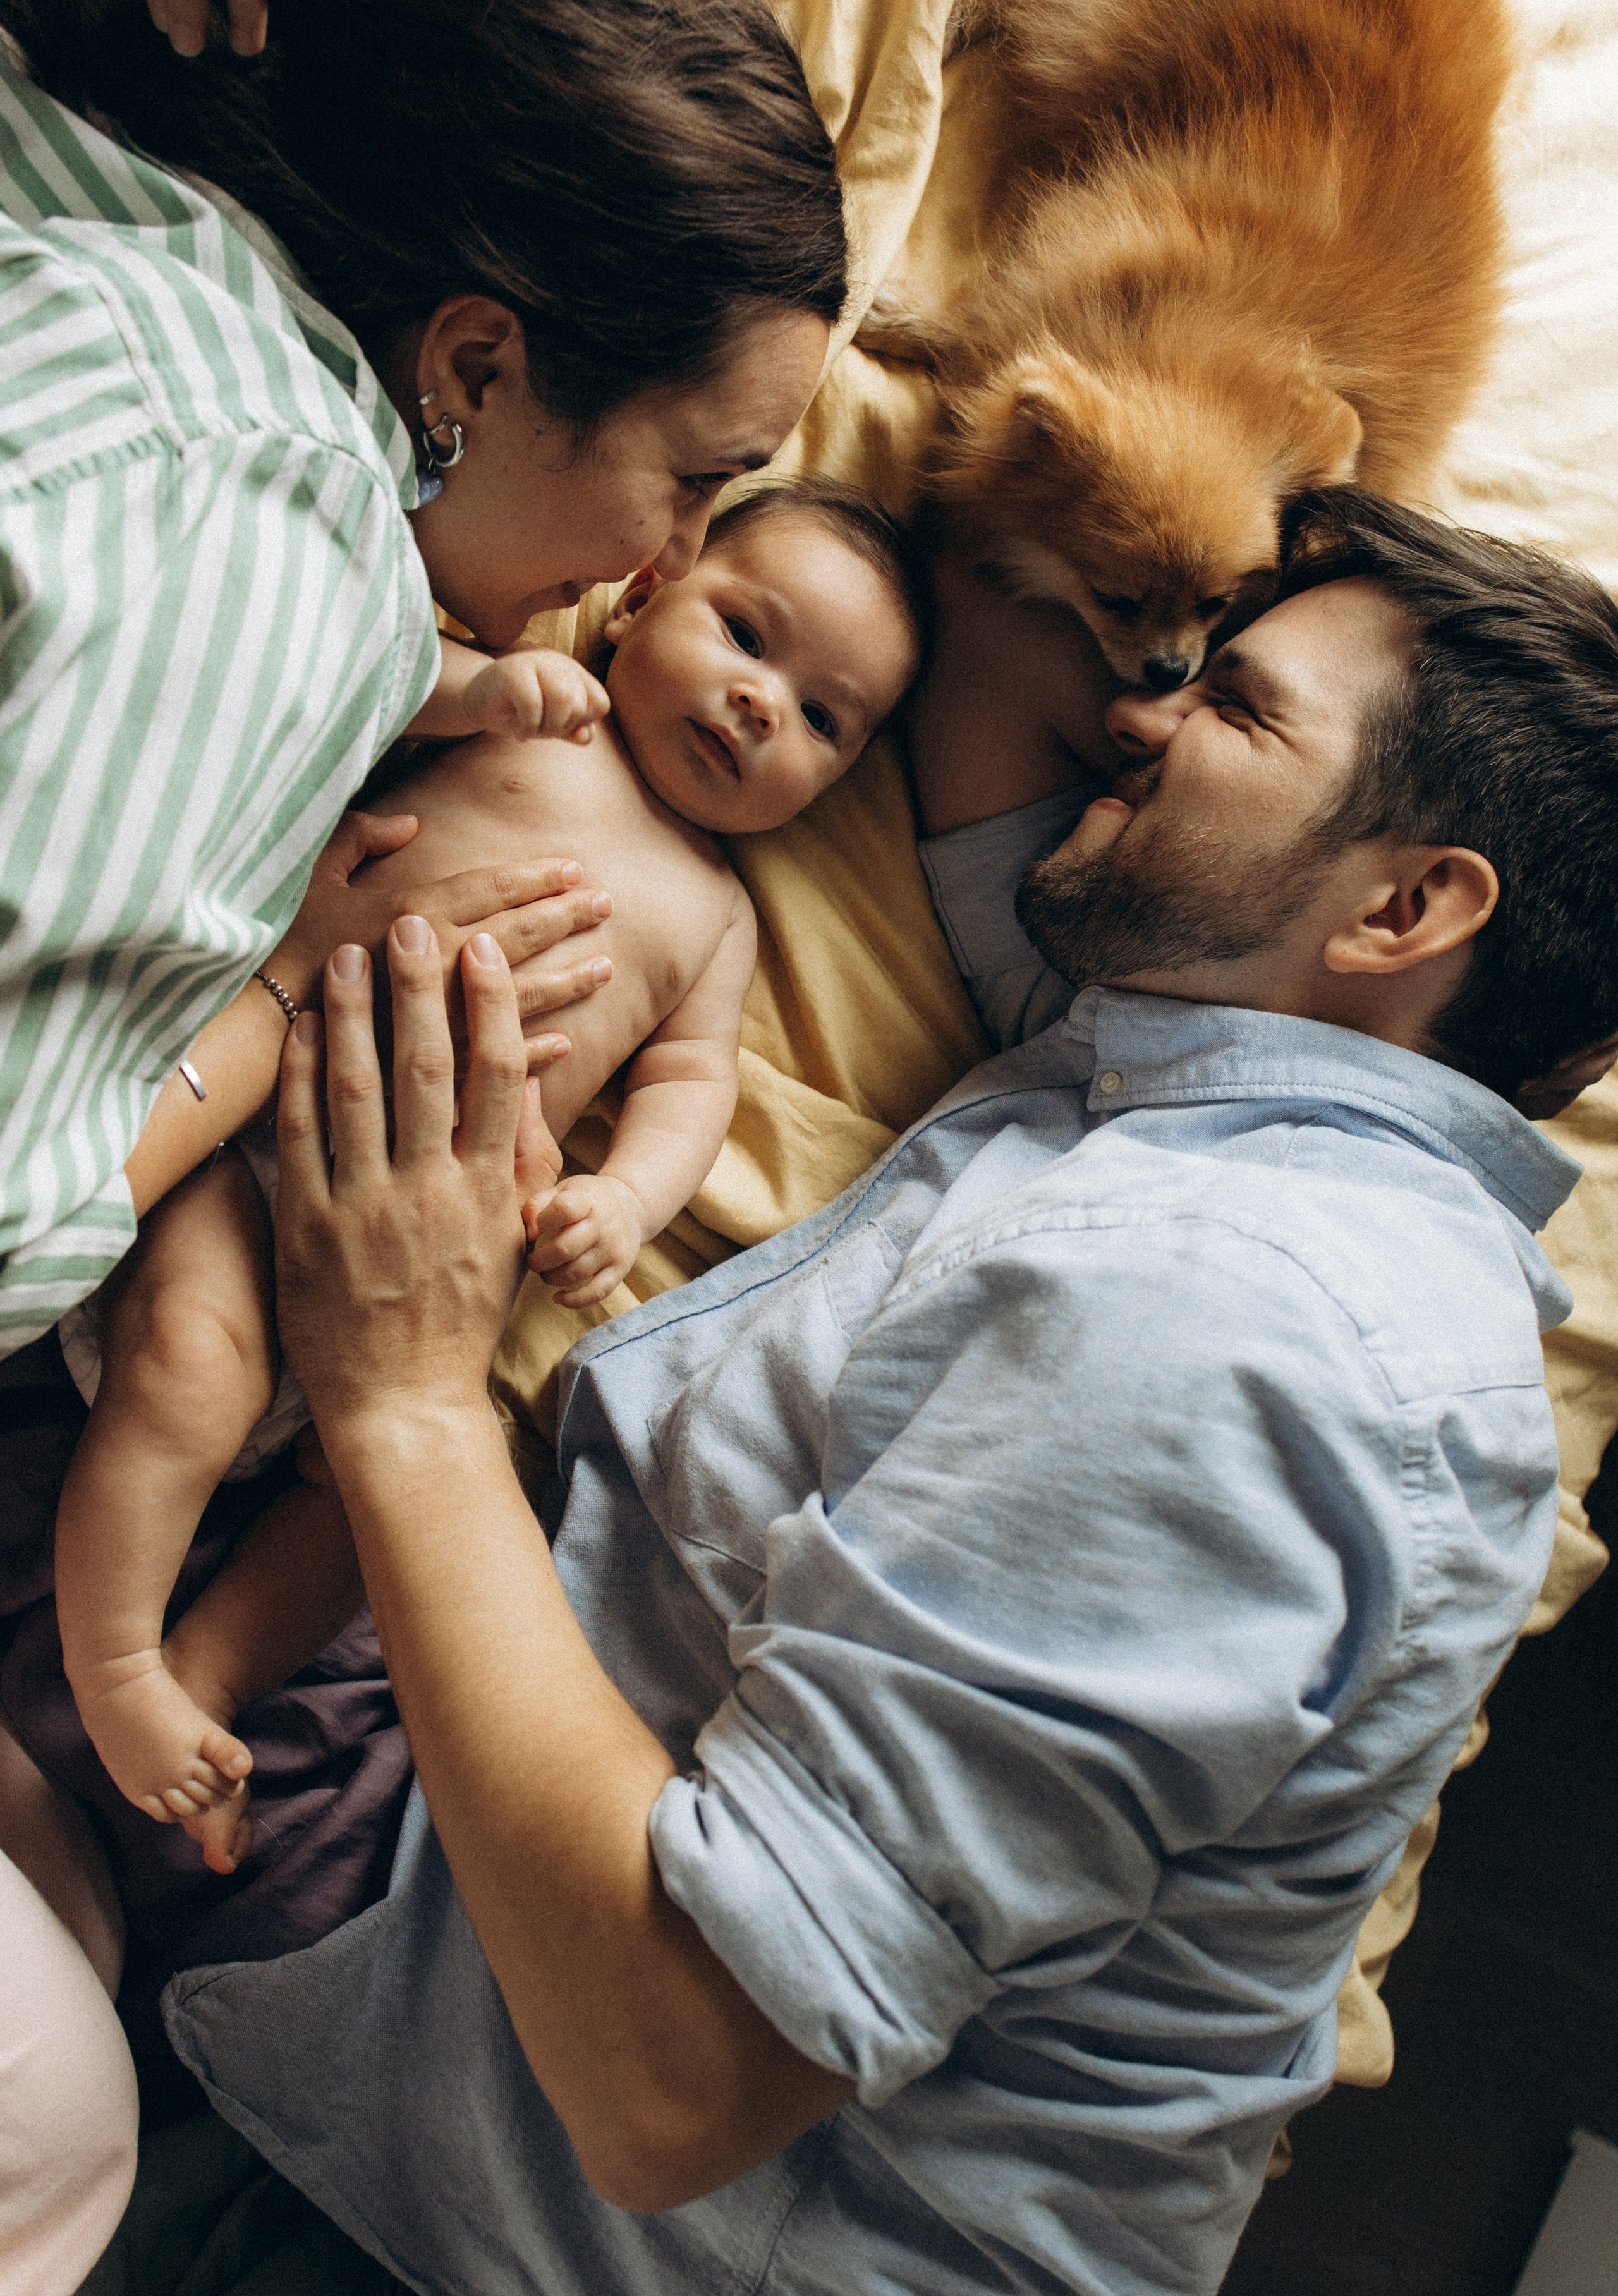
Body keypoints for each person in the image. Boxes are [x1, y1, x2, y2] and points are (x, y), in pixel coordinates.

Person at [161, 489, 1618, 2295]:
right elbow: (992, 588)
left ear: (1402, 907)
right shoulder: (1166, 1097)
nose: (1137, 713)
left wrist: (406, 1392)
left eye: (1233, 707)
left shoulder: (1240, 1321)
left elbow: (676, 2069)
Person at [0, 0, 851, 2278]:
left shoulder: (88, 186)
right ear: (468, 354)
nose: (666, 564)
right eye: (696, 482)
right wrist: (276, 1013)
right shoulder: (283, 562)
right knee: (55, 2130)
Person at [55, 480, 924, 1873]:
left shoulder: (717, 920)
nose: (764, 705)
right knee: (192, 1368)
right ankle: (112, 1664)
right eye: (747, 636)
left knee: (365, 1521)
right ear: (640, 598)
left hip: (424, 1298)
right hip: (253, 1148)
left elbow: (689, 1089)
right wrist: (476, 690)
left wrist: (623, 1200)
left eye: (826, 720)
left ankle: (205, 1686)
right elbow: (364, 697)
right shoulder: (534, 710)